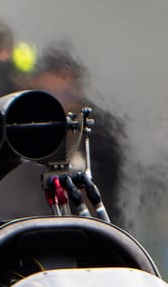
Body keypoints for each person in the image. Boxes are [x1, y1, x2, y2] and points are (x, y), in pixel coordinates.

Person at [32, 45, 125, 222]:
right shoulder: (28, 130)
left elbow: (109, 189)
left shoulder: (98, 131)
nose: (59, 102)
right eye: (50, 95)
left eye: (64, 93)